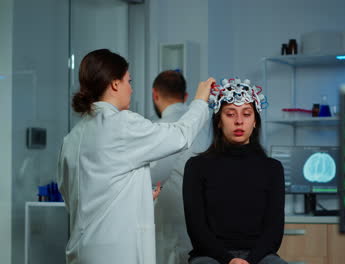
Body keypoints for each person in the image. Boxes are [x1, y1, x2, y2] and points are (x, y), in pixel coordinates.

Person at [57, 49, 215, 264]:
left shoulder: (72, 138)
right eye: (128, 81)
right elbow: (180, 136)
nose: (131, 89)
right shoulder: (122, 124)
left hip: (81, 252)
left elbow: (77, 197)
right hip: (116, 252)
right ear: (115, 84)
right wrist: (200, 101)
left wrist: (136, 195)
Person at [183, 78, 287, 264]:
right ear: (219, 121)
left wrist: (250, 260)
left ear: (255, 121)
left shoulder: (273, 169)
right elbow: (196, 228)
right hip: (211, 256)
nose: (239, 121)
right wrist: (229, 260)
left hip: (259, 257)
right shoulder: (197, 167)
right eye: (230, 114)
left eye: (246, 114)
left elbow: (274, 230)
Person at [149, 70, 211, 264]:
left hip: (168, 229)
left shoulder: (154, 130)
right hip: (205, 228)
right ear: (185, 97)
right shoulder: (207, 128)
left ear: (155, 94)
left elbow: (149, 179)